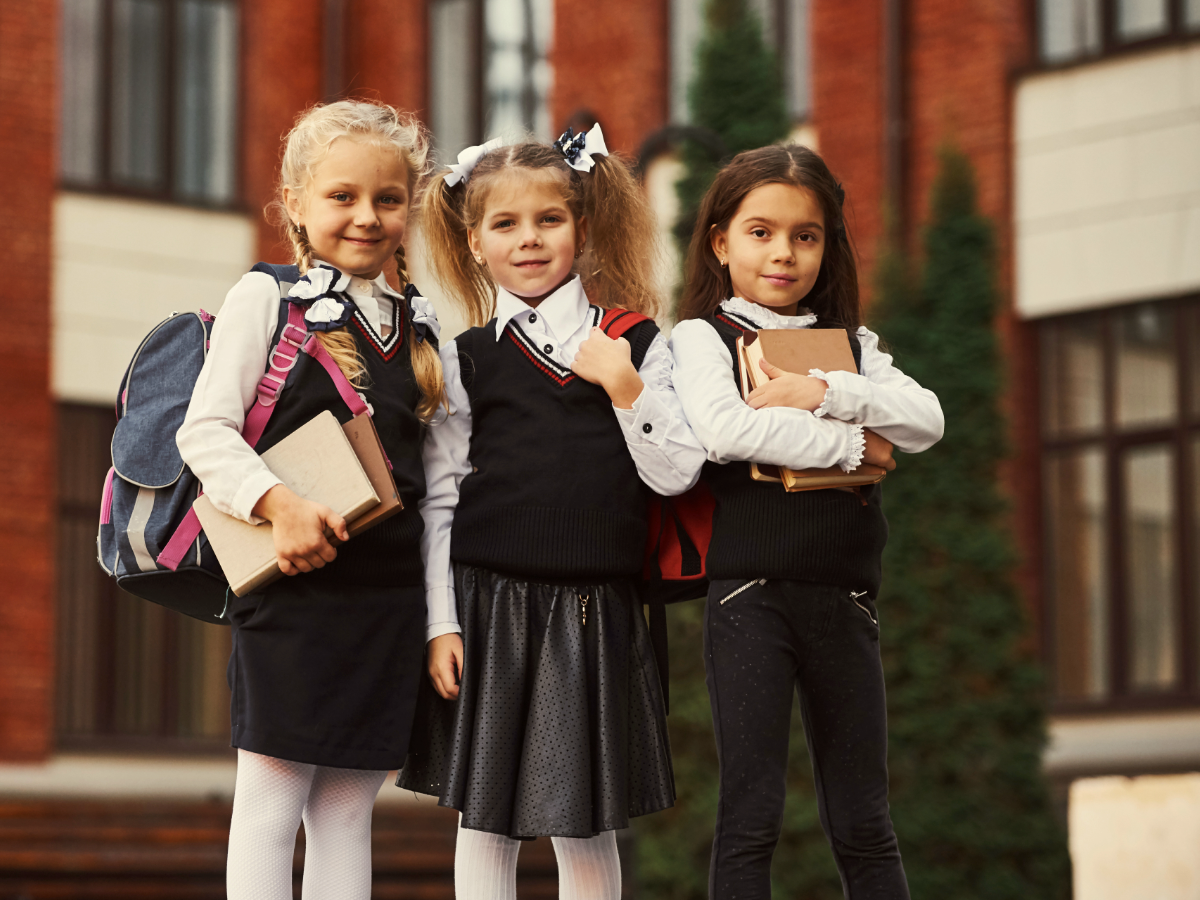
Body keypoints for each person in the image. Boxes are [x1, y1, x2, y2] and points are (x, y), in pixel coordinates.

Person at [398, 125, 707, 900]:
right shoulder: (462, 356)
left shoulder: (636, 342)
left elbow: (677, 476)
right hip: (487, 607)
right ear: (473, 242)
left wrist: (625, 389)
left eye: (549, 219)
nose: (528, 240)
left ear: (582, 227)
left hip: (595, 610)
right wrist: (441, 623)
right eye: (504, 224)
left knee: (585, 824)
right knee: (485, 821)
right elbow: (441, 496)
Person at [176, 99, 444, 900]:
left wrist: (439, 616)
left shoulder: (424, 323)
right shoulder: (267, 297)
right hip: (294, 590)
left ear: (410, 206)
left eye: (388, 199)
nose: (366, 217)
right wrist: (277, 503)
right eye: (342, 196)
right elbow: (207, 432)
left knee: (348, 804)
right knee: (273, 797)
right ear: (294, 202)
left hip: (387, 601)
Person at [669, 143, 945, 900]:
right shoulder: (701, 338)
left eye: (806, 235)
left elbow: (927, 420)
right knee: (751, 815)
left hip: (846, 601)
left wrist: (823, 389)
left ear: (828, 246)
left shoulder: (853, 349)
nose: (784, 253)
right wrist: (861, 445)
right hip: (749, 598)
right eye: (761, 232)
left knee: (865, 822)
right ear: (720, 242)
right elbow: (729, 432)